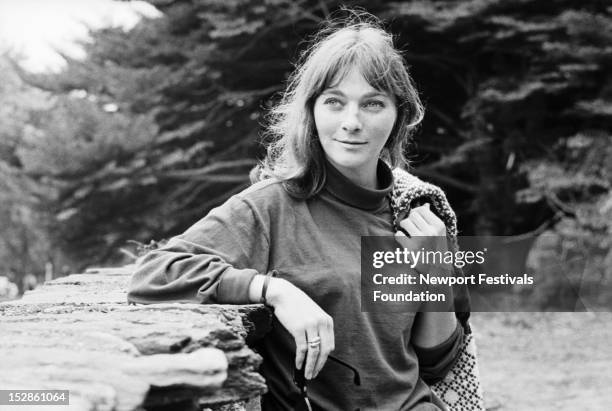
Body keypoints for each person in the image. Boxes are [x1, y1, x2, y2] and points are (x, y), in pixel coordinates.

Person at [128, 14, 464, 411]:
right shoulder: (272, 205)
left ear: (398, 117)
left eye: (373, 103)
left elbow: (436, 363)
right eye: (334, 102)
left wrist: (434, 270)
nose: (352, 122)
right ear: (312, 111)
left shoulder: (419, 210)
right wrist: (274, 290)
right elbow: (156, 274)